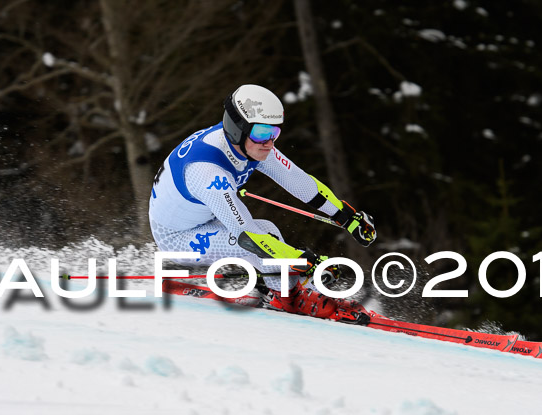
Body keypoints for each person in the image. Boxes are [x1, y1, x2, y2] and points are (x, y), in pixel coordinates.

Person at [149, 84, 377, 324]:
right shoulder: (207, 171)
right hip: (177, 237)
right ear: (238, 128)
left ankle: (281, 285)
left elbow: (298, 181)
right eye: (261, 133)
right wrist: (303, 260)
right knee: (265, 234)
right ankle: (289, 299)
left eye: (274, 133)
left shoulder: (247, 145)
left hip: (203, 217)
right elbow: (249, 236)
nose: (269, 142)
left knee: (268, 239)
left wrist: (346, 216)